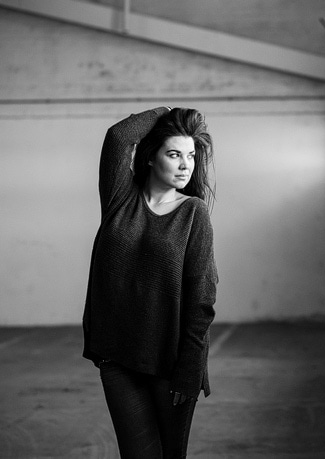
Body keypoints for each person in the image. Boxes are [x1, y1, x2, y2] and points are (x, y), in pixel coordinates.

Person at [82, 107, 218, 458]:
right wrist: (167, 113)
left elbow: (201, 298)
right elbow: (118, 136)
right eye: (174, 154)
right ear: (150, 158)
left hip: (171, 363)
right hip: (118, 357)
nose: (186, 165)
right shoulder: (120, 200)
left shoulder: (194, 213)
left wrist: (190, 369)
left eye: (191, 155)